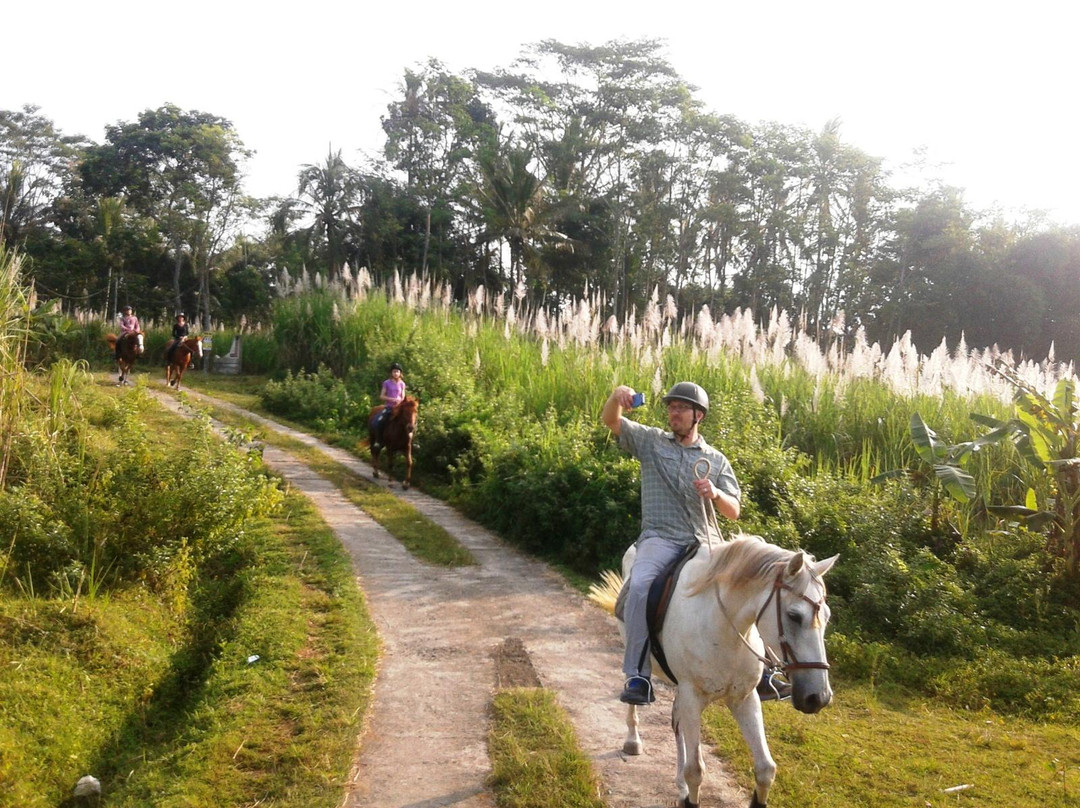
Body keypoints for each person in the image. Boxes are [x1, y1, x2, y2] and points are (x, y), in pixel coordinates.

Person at [601, 381, 743, 706]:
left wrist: (716, 493)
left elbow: (734, 511)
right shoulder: (651, 442)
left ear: (698, 416)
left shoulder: (716, 460)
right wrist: (615, 398)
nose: (673, 413)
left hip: (704, 540)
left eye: (680, 408)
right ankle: (638, 676)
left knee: (745, 582)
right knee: (639, 586)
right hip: (659, 538)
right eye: (671, 407)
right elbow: (611, 421)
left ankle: (760, 670)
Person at [372, 362, 406, 447]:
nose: (396, 373)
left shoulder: (402, 384)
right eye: (394, 371)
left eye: (397, 371)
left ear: (400, 373)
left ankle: (410, 442)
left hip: (399, 408)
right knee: (379, 421)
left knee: (410, 421)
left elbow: (403, 396)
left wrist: (401, 401)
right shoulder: (386, 383)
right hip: (389, 407)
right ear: (391, 373)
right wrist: (392, 399)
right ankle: (378, 440)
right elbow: (382, 396)